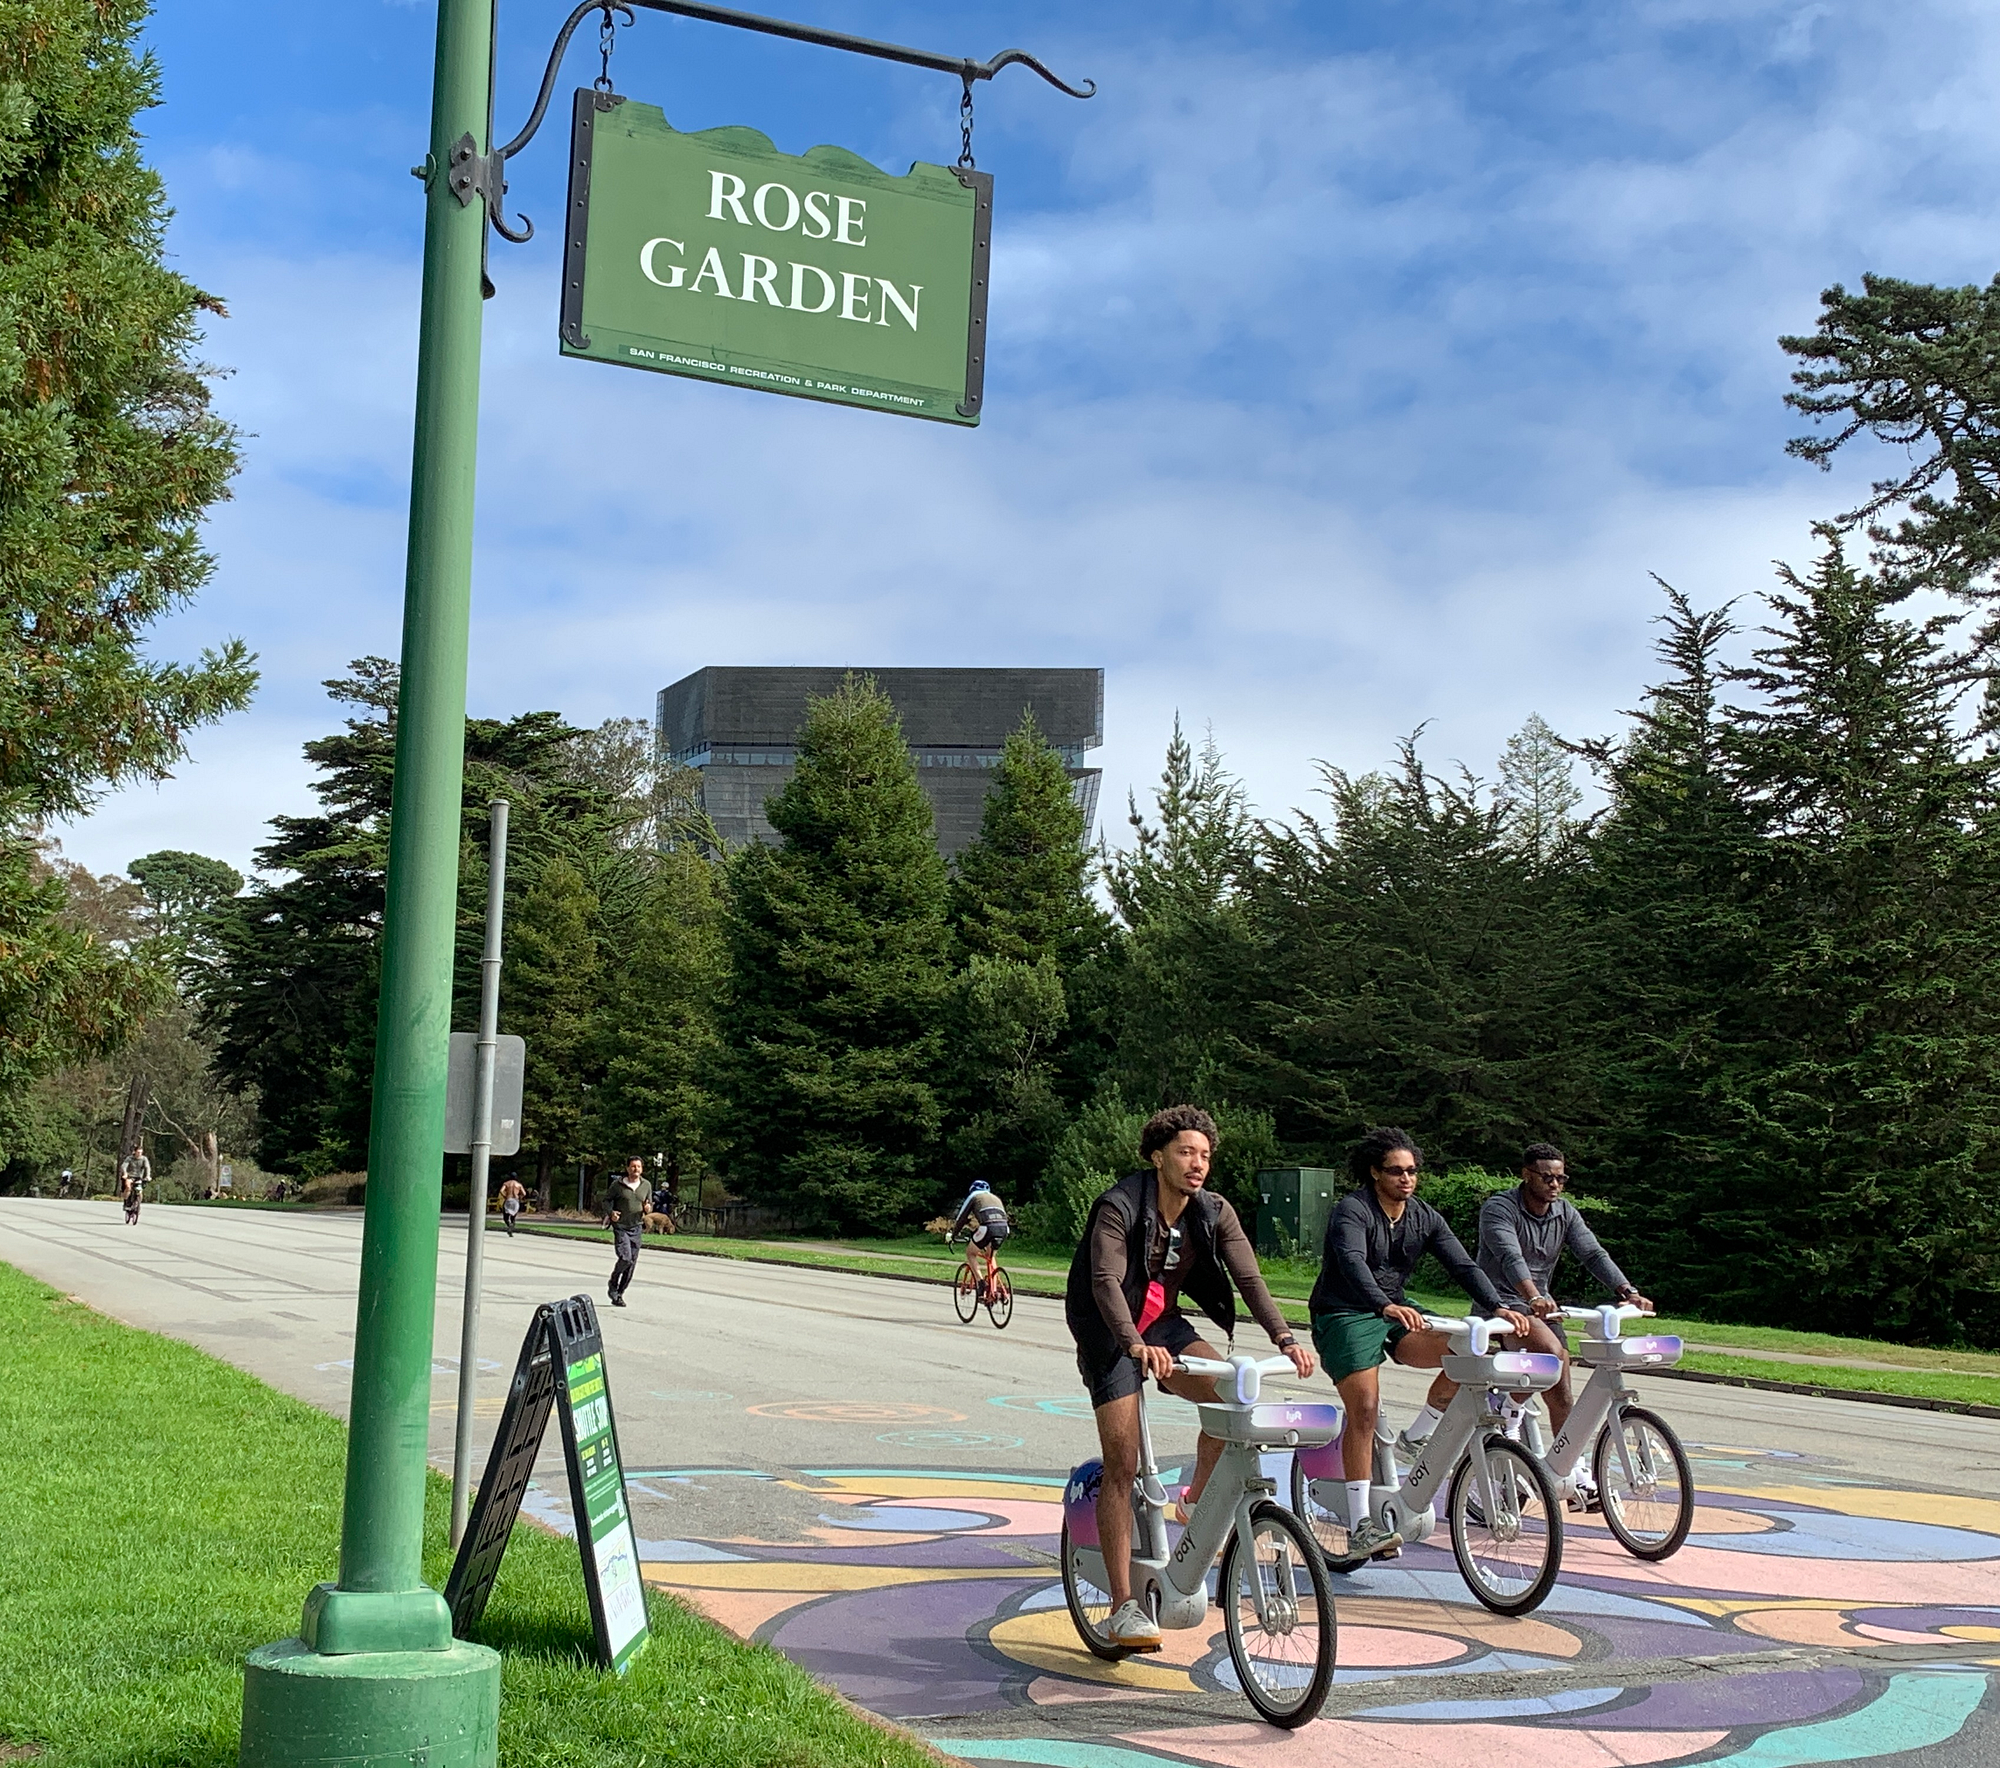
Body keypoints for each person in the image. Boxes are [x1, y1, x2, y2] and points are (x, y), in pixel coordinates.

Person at [1065, 1105, 1316, 1652]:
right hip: (1110, 1330)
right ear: (1158, 1157)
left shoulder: (1213, 1211)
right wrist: (1132, 1344)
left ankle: (1195, 1501)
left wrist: (1285, 1338)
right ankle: (1123, 1606)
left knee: (1230, 1399)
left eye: (1204, 1154)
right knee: (1123, 1462)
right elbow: (1105, 1280)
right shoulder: (1119, 1204)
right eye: (1185, 1152)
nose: (1197, 1163)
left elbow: (1249, 1278)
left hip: (1161, 1321)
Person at [1308, 1127, 1533, 1560]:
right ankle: (1360, 1526)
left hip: (1396, 1309)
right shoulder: (1352, 1211)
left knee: (1468, 1351)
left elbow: (1462, 1265)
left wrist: (1498, 1306)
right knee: (1365, 1409)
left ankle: (1417, 1435)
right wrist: (1382, 1304)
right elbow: (1352, 1262)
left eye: (1412, 1171)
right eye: (1396, 1171)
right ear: (1375, 1172)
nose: (1406, 1179)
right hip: (1345, 1312)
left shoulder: (1423, 1216)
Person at [1406, 1143, 1651, 1452]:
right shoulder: (1499, 1208)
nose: (1555, 1185)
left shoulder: (1564, 1212)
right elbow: (1510, 1257)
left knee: (1561, 1391)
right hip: (1501, 1305)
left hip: (1539, 1307)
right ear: (1526, 1174)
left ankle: (1567, 1466)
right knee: (1552, 1355)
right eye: (1547, 1177)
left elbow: (1592, 1253)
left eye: (1561, 1178)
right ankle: (1510, 1409)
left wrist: (1628, 1291)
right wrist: (1533, 1297)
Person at [949, 1180, 1011, 1301]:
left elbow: (961, 1218)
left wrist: (954, 1235)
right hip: (1004, 1229)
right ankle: (994, 1289)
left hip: (987, 1228)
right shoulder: (995, 1198)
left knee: (970, 1253)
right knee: (990, 1256)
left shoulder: (974, 1197)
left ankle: (980, 1282)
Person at [604, 1156, 649, 1308]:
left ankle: (619, 1293)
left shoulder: (646, 1185)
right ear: (627, 1168)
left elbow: (648, 1204)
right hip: (621, 1227)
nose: (636, 1169)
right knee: (625, 1258)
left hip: (636, 1227)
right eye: (633, 1166)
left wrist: (648, 1208)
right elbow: (606, 1200)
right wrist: (611, 1213)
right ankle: (613, 1282)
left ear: (642, 1169)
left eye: (638, 1167)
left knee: (632, 1263)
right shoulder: (617, 1185)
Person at [119, 1144, 151, 1226]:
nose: (139, 1154)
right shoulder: (129, 1158)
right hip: (130, 1176)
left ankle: (138, 1204)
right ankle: (126, 1202)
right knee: (128, 1187)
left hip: (139, 1177)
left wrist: (147, 1176)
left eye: (141, 1152)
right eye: (138, 1152)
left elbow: (147, 1167)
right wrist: (125, 1173)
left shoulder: (144, 1159)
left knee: (139, 1191)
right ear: (135, 1152)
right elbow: (124, 1166)